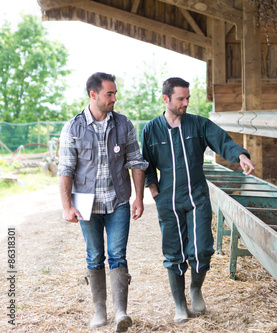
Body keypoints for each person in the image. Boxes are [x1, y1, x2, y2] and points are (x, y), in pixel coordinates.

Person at [141, 77, 255, 323]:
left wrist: (241, 155)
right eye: (181, 98)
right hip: (168, 200)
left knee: (202, 248)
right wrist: (154, 194)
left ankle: (195, 288)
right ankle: (180, 305)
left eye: (188, 98)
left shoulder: (198, 125)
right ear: (166, 99)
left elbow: (223, 141)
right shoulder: (151, 129)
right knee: (174, 254)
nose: (186, 103)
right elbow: (146, 166)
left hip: (197, 197)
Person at [58, 72, 148, 332]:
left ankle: (121, 312)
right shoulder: (73, 128)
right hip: (87, 206)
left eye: (115, 93)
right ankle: (100, 312)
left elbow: (136, 162)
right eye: (110, 93)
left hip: (118, 201)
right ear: (93, 95)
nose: (114, 98)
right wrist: (67, 207)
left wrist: (139, 197)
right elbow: (65, 169)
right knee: (94, 256)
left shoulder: (124, 124)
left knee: (118, 255)